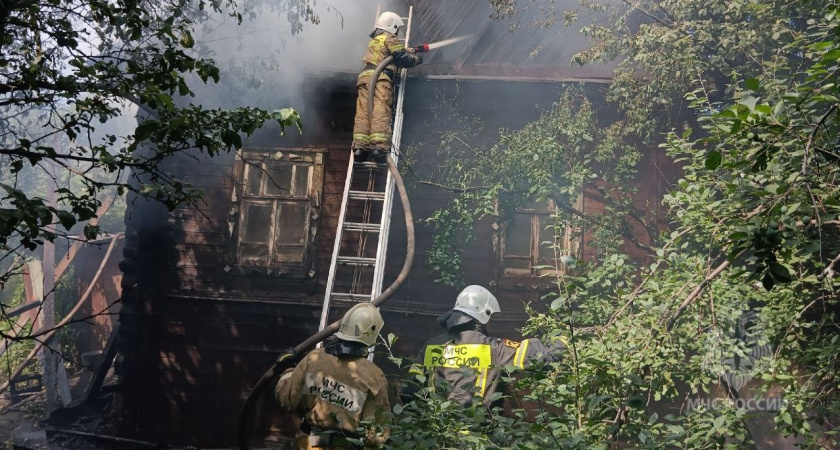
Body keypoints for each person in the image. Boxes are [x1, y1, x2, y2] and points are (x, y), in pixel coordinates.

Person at [405, 285, 566, 408]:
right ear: (484, 315)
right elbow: (540, 355)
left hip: (435, 437)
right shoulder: (494, 349)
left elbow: (409, 391)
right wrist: (573, 338)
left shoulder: (431, 346)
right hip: (477, 439)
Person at [276, 303, 391, 449]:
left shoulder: (314, 359)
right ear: (373, 335)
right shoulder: (374, 376)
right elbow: (378, 434)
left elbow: (288, 399)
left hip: (307, 443)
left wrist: (287, 371)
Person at [352, 11, 423, 157]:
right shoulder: (390, 37)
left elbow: (389, 56)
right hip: (380, 78)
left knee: (363, 111)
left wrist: (408, 50)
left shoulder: (374, 40)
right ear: (392, 26)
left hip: (365, 78)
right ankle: (379, 146)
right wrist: (416, 59)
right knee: (380, 108)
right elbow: (402, 57)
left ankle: (360, 146)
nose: (397, 32)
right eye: (397, 29)